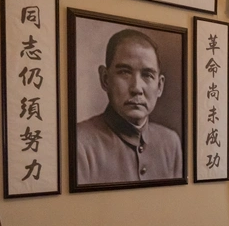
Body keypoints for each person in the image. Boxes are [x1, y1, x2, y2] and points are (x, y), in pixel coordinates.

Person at [76, 29, 182, 185]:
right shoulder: (80, 143)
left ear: (159, 86)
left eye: (147, 75)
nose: (136, 88)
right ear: (105, 79)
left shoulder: (170, 143)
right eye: (124, 72)